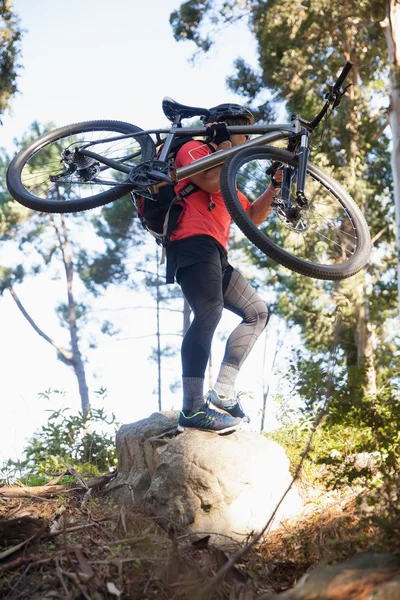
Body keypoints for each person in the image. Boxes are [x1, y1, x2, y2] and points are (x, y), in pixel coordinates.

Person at [166, 103, 282, 433]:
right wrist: (225, 148)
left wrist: (273, 186)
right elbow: (212, 183)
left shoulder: (226, 163)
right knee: (209, 311)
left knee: (257, 312)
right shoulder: (193, 149)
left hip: (216, 252)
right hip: (190, 241)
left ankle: (223, 391)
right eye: (245, 132)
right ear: (228, 129)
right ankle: (192, 408)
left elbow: (253, 216)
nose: (250, 139)